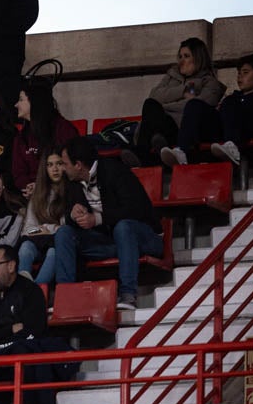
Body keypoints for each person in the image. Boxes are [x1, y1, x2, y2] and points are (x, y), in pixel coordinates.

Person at [55, 136, 163, 310]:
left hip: (144, 238)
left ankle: (128, 295)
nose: (62, 168)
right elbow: (69, 214)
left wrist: (97, 219)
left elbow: (134, 210)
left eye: (64, 164)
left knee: (123, 227)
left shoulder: (115, 171)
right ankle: (65, 298)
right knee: (64, 233)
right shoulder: (72, 181)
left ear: (78, 165)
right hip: (110, 242)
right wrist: (73, 215)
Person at [152, 38, 229, 166]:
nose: (181, 61)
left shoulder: (210, 83)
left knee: (191, 106)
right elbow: (154, 96)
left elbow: (195, 106)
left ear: (198, 59)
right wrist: (182, 91)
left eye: (186, 56)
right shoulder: (171, 75)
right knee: (150, 106)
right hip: (168, 122)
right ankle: (143, 154)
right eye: (180, 56)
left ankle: (159, 153)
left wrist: (165, 105)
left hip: (191, 129)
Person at [13, 78, 80, 193]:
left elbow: (73, 167)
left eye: (21, 99)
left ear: (35, 101)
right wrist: (29, 187)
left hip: (62, 191)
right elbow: (18, 174)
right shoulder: (21, 137)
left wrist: (43, 186)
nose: (16, 105)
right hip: (33, 195)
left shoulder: (63, 129)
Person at [18, 148, 67, 284]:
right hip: (39, 241)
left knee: (53, 252)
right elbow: (27, 230)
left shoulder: (71, 191)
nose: (55, 169)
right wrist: (40, 230)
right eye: (50, 165)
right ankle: (23, 287)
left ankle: (36, 290)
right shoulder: (38, 194)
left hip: (59, 244)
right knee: (25, 247)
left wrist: (46, 228)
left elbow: (65, 228)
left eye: (59, 164)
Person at [209, 53, 253, 166]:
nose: (240, 76)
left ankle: (232, 146)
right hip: (224, 138)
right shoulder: (231, 99)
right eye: (239, 73)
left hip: (249, 141)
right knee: (195, 106)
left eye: (245, 72)